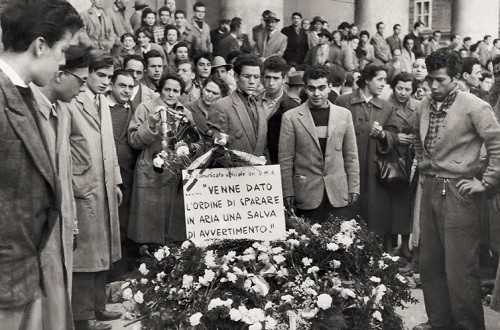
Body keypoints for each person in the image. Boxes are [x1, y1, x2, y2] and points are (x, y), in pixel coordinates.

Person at [0, 1, 82, 328]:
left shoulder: (25, 94)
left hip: (23, 278)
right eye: (63, 50)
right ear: (40, 45)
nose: (63, 61)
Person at [412, 48, 500, 330]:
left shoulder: (475, 105)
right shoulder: (424, 105)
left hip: (459, 193)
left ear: (458, 78)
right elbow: (417, 139)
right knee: (430, 264)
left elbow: (497, 145)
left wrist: (486, 182)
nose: (433, 86)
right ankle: (439, 322)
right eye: (430, 79)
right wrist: (424, 166)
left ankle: (468, 326)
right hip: (430, 188)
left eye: (440, 80)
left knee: (460, 269)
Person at [32, 45, 89, 330]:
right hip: (33, 234)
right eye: (81, 80)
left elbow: (66, 175)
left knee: (57, 304)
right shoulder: (26, 111)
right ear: (59, 75)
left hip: (61, 228)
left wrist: (74, 223)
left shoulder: (64, 112)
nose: (83, 88)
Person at [69, 49, 123, 330]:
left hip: (103, 183)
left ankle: (98, 307)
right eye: (100, 75)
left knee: (103, 249)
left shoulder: (103, 101)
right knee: (86, 254)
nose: (105, 82)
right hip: (83, 185)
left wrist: (115, 180)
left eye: (109, 77)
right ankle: (82, 315)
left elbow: (109, 144)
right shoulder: (73, 100)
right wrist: (75, 181)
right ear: (87, 74)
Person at [127, 73, 201, 245]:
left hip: (175, 174)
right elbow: (134, 142)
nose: (171, 94)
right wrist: (151, 124)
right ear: (160, 90)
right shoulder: (146, 108)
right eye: (167, 89)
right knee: (150, 226)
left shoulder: (185, 112)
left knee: (172, 225)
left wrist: (190, 146)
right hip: (151, 173)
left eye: (176, 90)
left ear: (181, 93)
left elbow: (198, 142)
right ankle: (147, 261)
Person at [280, 64, 360, 221]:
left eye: (322, 88)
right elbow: (285, 159)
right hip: (306, 193)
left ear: (330, 87)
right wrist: (287, 190)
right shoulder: (291, 117)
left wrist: (354, 186)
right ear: (305, 88)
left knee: (339, 242)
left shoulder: (344, 115)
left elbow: (351, 155)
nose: (316, 93)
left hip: (337, 192)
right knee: (308, 243)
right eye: (311, 88)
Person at [335, 65, 399, 242]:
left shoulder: (387, 107)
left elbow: (394, 134)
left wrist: (383, 134)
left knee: (373, 210)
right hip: (346, 165)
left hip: (373, 169)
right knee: (347, 208)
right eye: (379, 79)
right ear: (367, 80)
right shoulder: (343, 101)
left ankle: (373, 248)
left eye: (385, 80)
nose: (383, 84)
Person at [106, 70, 139, 281]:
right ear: (112, 84)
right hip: (105, 175)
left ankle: (118, 276)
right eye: (122, 85)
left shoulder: (135, 111)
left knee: (124, 227)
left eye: (130, 87)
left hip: (127, 176)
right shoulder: (100, 107)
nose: (126, 90)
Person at [207, 54, 268, 157]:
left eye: (256, 77)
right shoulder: (221, 106)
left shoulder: (260, 106)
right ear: (236, 77)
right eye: (247, 76)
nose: (252, 82)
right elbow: (215, 151)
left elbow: (263, 147)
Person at [386, 72, 419, 257]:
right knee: (390, 201)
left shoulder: (419, 106)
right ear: (393, 87)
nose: (403, 93)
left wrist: (414, 138)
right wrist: (395, 137)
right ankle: (389, 242)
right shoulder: (385, 105)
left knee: (408, 202)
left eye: (408, 89)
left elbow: (423, 131)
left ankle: (406, 243)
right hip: (390, 158)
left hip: (411, 159)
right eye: (400, 88)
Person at [258, 56, 299, 164]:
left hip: (278, 164)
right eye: (268, 77)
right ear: (262, 77)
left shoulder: (293, 107)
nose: (271, 83)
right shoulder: (252, 101)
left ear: (284, 79)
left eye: (276, 78)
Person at [185, 76, 229, 145]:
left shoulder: (225, 113)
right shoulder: (187, 108)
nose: (210, 96)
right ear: (202, 89)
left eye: (215, 93)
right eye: (208, 91)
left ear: (221, 95)